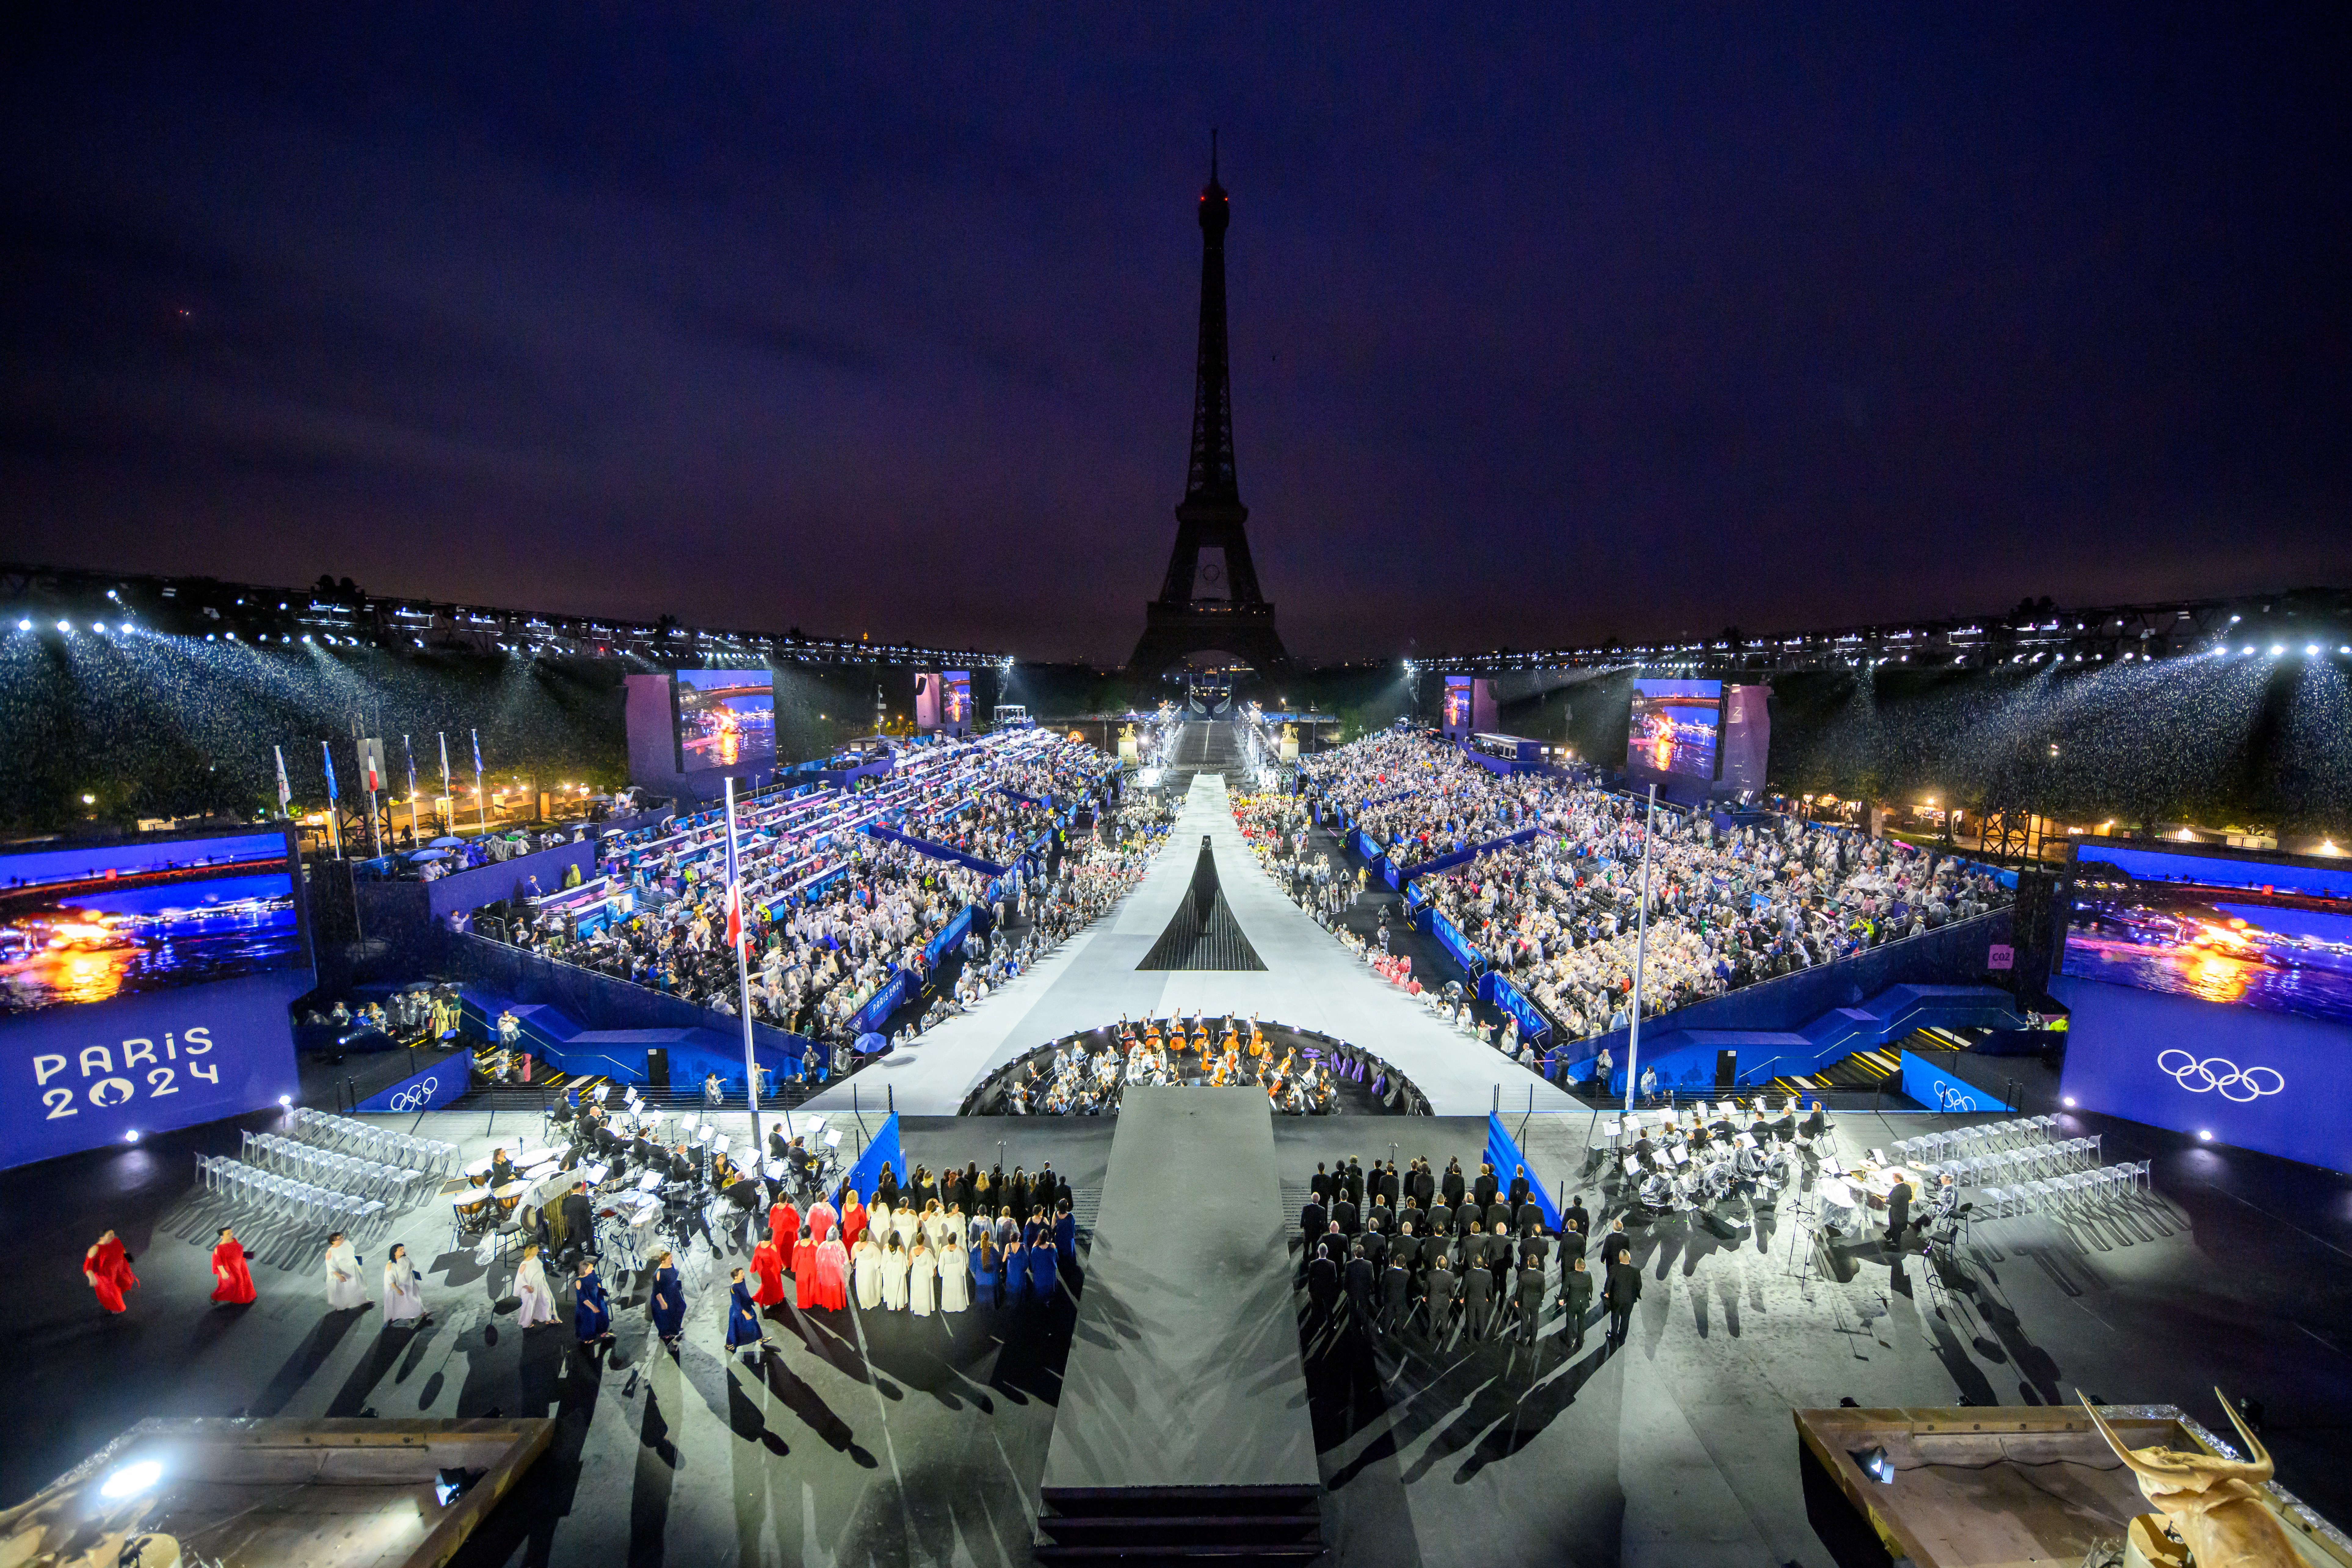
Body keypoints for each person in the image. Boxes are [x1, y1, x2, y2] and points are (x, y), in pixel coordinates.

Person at [85, 1230, 139, 1316]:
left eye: (113, 1235)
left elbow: (122, 1251)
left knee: (126, 1283)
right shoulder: (95, 1249)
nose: (112, 1237)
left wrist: (127, 1256)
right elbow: (88, 1267)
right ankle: (115, 1310)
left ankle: (112, 1304)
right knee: (117, 1302)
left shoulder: (116, 1241)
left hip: (117, 1272)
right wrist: (92, 1278)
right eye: (110, 1235)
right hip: (105, 1277)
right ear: (102, 1238)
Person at [724, 1265, 765, 1359]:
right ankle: (730, 1345)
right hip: (739, 1312)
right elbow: (737, 1304)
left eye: (743, 1273)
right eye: (742, 1274)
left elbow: (745, 1294)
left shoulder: (742, 1281)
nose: (744, 1274)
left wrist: (750, 1301)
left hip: (747, 1307)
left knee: (754, 1323)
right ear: (736, 1277)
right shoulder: (733, 1289)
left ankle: (760, 1338)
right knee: (735, 1329)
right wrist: (746, 1314)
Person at [648, 1251, 686, 1351]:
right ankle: (667, 1336)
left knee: (681, 1308)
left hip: (674, 1294)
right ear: (663, 1261)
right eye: (669, 1259)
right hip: (665, 1296)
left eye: (672, 1258)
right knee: (667, 1316)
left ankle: (675, 1329)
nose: (672, 1260)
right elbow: (657, 1290)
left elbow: (675, 1276)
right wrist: (662, 1302)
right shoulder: (659, 1273)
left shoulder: (671, 1266)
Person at [574, 1257, 615, 1347]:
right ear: (584, 1270)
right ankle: (588, 1338)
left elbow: (597, 1282)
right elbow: (583, 1298)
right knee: (589, 1320)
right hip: (588, 1304)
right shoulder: (579, 1282)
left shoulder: (592, 1274)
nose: (593, 1269)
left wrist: (600, 1289)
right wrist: (593, 1307)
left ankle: (603, 1332)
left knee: (603, 1314)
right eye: (590, 1268)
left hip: (598, 1298)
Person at [383, 1244, 429, 1325]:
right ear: (395, 1252)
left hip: (411, 1283)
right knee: (406, 1301)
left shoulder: (405, 1258)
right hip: (402, 1286)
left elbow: (412, 1266)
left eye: (403, 1249)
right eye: (400, 1250)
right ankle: (406, 1317)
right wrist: (397, 1289)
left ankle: (421, 1312)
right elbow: (390, 1279)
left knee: (416, 1298)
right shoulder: (391, 1264)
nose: (403, 1251)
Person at [514, 1245, 558, 1327]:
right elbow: (520, 1278)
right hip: (531, 1288)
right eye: (535, 1250)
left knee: (546, 1300)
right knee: (529, 1305)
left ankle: (547, 1318)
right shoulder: (525, 1264)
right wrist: (528, 1287)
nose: (538, 1251)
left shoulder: (536, 1259)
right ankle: (526, 1323)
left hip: (540, 1284)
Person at [210, 1226, 256, 1305]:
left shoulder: (234, 1241)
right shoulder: (219, 1249)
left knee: (245, 1281)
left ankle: (247, 1296)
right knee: (228, 1285)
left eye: (231, 1232)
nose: (231, 1234)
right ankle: (216, 1297)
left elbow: (236, 1252)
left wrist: (247, 1255)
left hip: (241, 1266)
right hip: (231, 1269)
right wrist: (223, 1273)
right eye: (228, 1234)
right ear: (222, 1237)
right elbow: (218, 1262)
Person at [1604, 1254, 1643, 1346]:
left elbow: (1609, 1283)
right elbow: (1639, 1286)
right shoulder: (1636, 1271)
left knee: (1615, 1317)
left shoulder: (1614, 1269)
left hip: (1616, 1299)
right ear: (1630, 1259)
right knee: (1626, 1319)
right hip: (1630, 1300)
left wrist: (1607, 1293)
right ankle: (1622, 1339)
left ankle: (1614, 1337)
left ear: (1620, 1258)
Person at [325, 1232, 369, 1311]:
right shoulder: (331, 1253)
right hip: (344, 1273)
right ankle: (344, 1306)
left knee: (358, 1285)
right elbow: (331, 1267)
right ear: (333, 1242)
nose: (342, 1240)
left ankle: (362, 1301)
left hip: (354, 1269)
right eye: (339, 1239)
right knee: (346, 1289)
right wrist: (339, 1276)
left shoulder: (347, 1244)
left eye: (342, 1237)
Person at [1559, 1256, 1594, 1349]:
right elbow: (1591, 1289)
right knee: (1581, 1322)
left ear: (1576, 1266)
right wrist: (1590, 1296)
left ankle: (1569, 1341)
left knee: (1570, 1321)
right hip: (1583, 1303)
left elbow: (1564, 1289)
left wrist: (1561, 1299)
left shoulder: (1570, 1276)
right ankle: (1581, 1340)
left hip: (1572, 1303)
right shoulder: (1588, 1275)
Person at [814, 1224, 850, 1311]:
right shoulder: (839, 1245)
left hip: (826, 1272)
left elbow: (818, 1260)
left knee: (828, 1287)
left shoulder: (822, 1246)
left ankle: (828, 1304)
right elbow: (845, 1259)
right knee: (836, 1287)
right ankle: (837, 1304)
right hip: (836, 1272)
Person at [749, 1234, 786, 1308]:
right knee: (775, 1286)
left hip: (764, 1271)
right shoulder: (772, 1247)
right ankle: (776, 1300)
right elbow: (777, 1259)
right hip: (773, 1270)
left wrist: (753, 1268)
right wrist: (782, 1265)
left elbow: (756, 1258)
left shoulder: (759, 1245)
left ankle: (765, 1299)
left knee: (766, 1285)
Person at [852, 1230, 886, 1310]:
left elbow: (853, 1258)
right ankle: (872, 1300)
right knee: (870, 1284)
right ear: (867, 1237)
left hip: (861, 1268)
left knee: (862, 1284)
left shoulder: (855, 1246)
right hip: (870, 1268)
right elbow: (879, 1257)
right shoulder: (872, 1246)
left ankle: (864, 1301)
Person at [1515, 1259, 1546, 1343]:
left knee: (1524, 1321)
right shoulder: (1541, 1275)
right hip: (1536, 1302)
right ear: (1537, 1264)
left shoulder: (1523, 1275)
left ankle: (1523, 1340)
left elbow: (1520, 1289)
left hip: (1525, 1301)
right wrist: (1541, 1299)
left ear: (1528, 1263)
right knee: (1535, 1321)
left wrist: (1517, 1300)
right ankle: (1533, 1341)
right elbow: (1542, 1290)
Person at [793, 1225, 822, 1311]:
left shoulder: (797, 1244)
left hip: (801, 1268)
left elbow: (795, 1258)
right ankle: (814, 1300)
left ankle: (803, 1303)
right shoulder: (815, 1243)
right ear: (810, 1234)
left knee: (802, 1286)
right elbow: (818, 1257)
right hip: (812, 1267)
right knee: (813, 1284)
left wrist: (794, 1268)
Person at [908, 1239, 937, 1317]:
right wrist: (934, 1270)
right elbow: (932, 1263)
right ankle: (925, 1310)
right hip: (925, 1273)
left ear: (916, 1241)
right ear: (923, 1241)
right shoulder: (928, 1251)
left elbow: (910, 1263)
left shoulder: (912, 1250)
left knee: (917, 1290)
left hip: (916, 1272)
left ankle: (917, 1308)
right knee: (925, 1291)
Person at [1027, 1228, 1057, 1303]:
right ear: (1047, 1237)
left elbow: (1032, 1261)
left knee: (1040, 1290)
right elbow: (1056, 1258)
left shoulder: (1035, 1249)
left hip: (1039, 1273)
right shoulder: (1052, 1246)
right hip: (1049, 1273)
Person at [881, 1235, 911, 1311]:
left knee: (890, 1286)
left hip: (889, 1268)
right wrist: (906, 1269)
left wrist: (883, 1270)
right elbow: (903, 1260)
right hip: (898, 1269)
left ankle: (890, 1305)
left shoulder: (886, 1247)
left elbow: (884, 1259)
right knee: (900, 1287)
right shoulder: (900, 1248)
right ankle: (900, 1305)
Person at [971, 1232, 1000, 1309]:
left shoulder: (977, 1247)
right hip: (991, 1276)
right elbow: (998, 1260)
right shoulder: (994, 1246)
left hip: (980, 1276)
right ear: (989, 1238)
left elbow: (973, 1261)